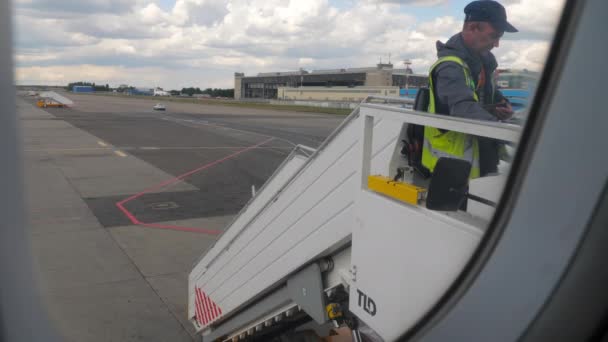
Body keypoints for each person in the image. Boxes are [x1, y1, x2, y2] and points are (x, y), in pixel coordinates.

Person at [421, 0, 518, 178]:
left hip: (481, 154)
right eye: (494, 36)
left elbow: (489, 94)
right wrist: (505, 131)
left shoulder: (482, 62)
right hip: (453, 166)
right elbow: (463, 108)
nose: (497, 44)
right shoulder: (450, 67)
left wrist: (503, 105)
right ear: (473, 27)